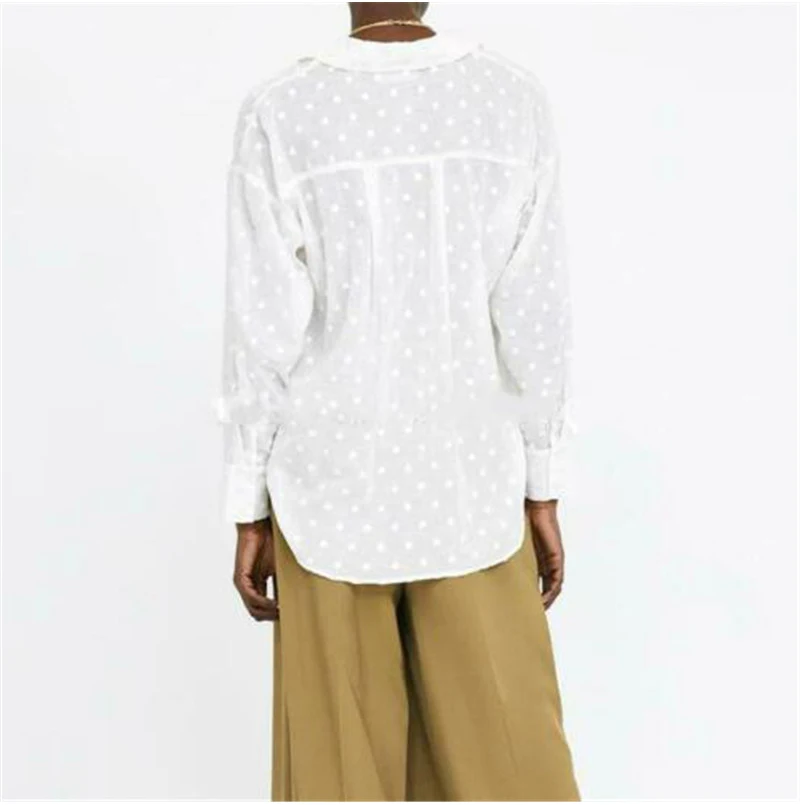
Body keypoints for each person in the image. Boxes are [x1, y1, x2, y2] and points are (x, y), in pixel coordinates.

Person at [216, 2, 580, 800]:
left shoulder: (282, 109)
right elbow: (536, 316)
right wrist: (543, 481)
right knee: (513, 767)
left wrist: (248, 503)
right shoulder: (509, 98)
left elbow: (261, 328)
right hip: (470, 483)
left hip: (327, 491)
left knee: (335, 777)